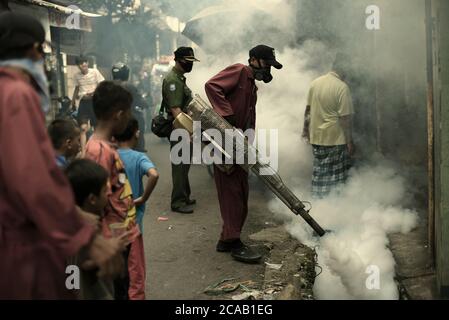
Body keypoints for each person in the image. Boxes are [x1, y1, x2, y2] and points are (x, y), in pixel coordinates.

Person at [0, 11, 124, 299]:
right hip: (19, 247)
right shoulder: (16, 94)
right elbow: (32, 181)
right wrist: (83, 235)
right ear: (34, 51)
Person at [205, 44, 283, 263]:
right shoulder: (239, 71)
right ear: (254, 60)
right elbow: (211, 86)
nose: (268, 69)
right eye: (267, 63)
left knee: (240, 190)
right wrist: (226, 117)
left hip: (240, 146)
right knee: (232, 193)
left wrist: (248, 143)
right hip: (225, 143)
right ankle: (234, 240)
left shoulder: (252, 85)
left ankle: (226, 239)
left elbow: (249, 117)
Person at [84, 81, 144, 300]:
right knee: (119, 291)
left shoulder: (103, 146)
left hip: (120, 234)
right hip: (113, 236)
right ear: (118, 115)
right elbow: (95, 201)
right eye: (127, 112)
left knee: (124, 288)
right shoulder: (99, 151)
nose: (129, 117)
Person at [302, 53, 355, 199]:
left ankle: (319, 205)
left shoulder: (315, 83)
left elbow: (308, 110)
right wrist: (349, 141)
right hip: (335, 139)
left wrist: (305, 131)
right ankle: (333, 206)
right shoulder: (342, 87)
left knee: (320, 174)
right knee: (336, 178)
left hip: (317, 137)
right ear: (344, 69)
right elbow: (345, 118)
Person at [65, 159, 117, 300]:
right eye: (104, 190)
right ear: (92, 199)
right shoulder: (88, 233)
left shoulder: (72, 228)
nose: (109, 192)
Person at [161, 47, 199, 214]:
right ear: (178, 60)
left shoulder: (178, 78)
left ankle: (184, 196)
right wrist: (188, 132)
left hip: (181, 127)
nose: (190, 65)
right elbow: (176, 110)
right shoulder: (173, 81)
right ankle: (177, 202)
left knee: (184, 164)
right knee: (180, 165)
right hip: (179, 128)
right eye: (188, 61)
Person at [115, 117, 159, 233]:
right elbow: (154, 175)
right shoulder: (139, 157)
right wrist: (143, 198)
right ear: (137, 134)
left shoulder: (110, 155)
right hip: (133, 212)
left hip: (114, 213)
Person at [112, 62, 149, 152]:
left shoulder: (110, 86)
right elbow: (139, 101)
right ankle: (139, 148)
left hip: (113, 117)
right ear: (126, 73)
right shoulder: (128, 86)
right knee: (139, 121)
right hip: (129, 115)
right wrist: (146, 104)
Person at [72, 56, 105, 128]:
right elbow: (76, 89)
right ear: (78, 65)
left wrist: (94, 92)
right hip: (83, 103)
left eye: (85, 62)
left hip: (95, 103)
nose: (83, 64)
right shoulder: (76, 76)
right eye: (80, 63)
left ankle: (95, 139)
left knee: (96, 126)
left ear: (87, 63)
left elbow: (101, 84)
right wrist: (72, 102)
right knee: (83, 128)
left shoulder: (95, 72)